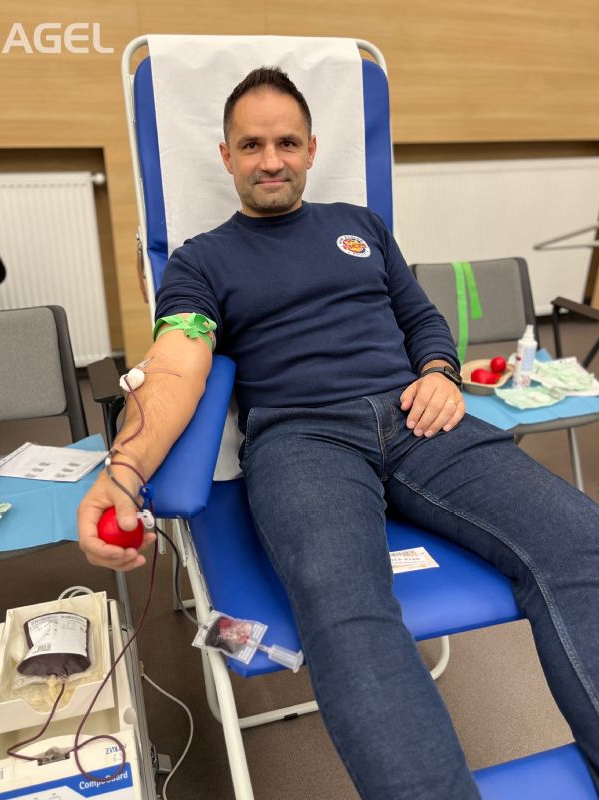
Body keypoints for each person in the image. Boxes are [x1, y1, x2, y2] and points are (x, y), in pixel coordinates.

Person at [78, 67, 599, 799]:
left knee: (579, 535)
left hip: (417, 416)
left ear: (312, 149)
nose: (271, 160)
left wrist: (440, 372)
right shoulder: (201, 259)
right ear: (225, 155)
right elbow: (176, 365)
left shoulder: (361, 227)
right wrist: (126, 469)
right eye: (251, 145)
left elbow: (421, 319)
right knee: (344, 607)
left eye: (286, 142)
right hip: (302, 439)